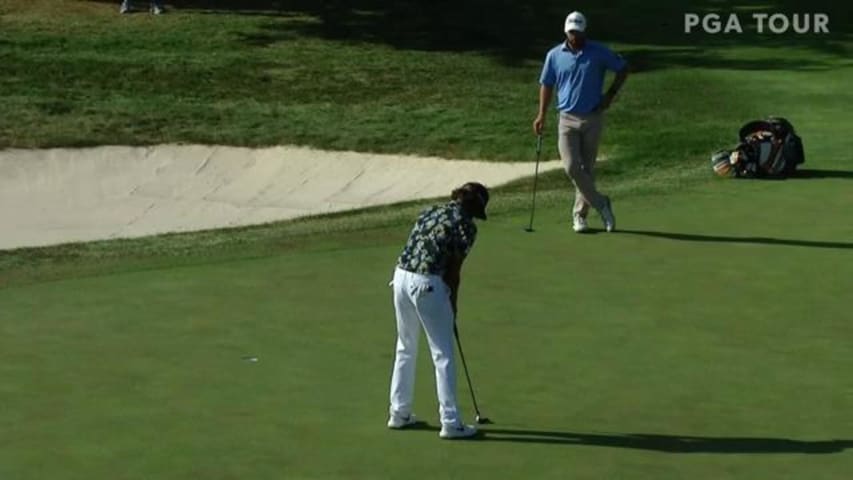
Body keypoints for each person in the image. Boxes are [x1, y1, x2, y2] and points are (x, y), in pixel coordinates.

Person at [387, 182, 489, 440]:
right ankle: (451, 422)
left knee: (405, 347)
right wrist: (452, 303)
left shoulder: (431, 210)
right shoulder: (466, 226)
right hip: (427, 284)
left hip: (400, 278)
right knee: (442, 354)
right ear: (474, 207)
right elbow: (454, 270)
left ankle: (399, 413)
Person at [533, 11, 629, 233]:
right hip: (566, 119)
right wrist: (541, 115)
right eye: (572, 32)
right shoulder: (554, 55)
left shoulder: (598, 52)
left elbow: (623, 68)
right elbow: (546, 85)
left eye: (578, 31)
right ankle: (601, 203)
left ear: (584, 31)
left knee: (587, 168)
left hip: (592, 117)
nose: (575, 36)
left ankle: (580, 216)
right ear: (566, 31)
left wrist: (610, 95)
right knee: (571, 167)